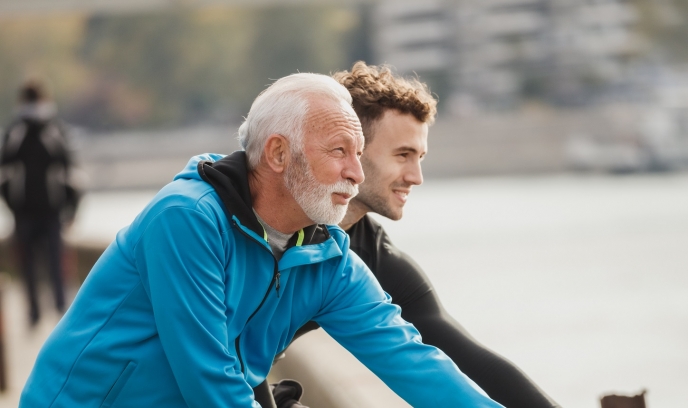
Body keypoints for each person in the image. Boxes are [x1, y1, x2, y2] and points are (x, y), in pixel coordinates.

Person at [20, 73, 503, 407]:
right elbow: (211, 384)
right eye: (339, 152)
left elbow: (413, 361)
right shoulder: (187, 219)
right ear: (277, 153)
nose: (356, 174)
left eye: (359, 153)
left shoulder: (329, 261)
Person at [254, 62, 561, 408]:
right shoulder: (245, 219)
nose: (416, 177)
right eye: (403, 155)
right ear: (347, 147)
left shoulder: (368, 257)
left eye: (420, 157)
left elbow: (465, 363)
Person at [0, 78, 78, 327]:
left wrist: (11, 205)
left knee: (31, 265)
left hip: (27, 212)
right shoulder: (53, 129)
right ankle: (59, 311)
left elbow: (4, 173)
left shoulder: (17, 131)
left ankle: (38, 312)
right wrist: (71, 207)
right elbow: (71, 173)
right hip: (47, 211)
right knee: (53, 262)